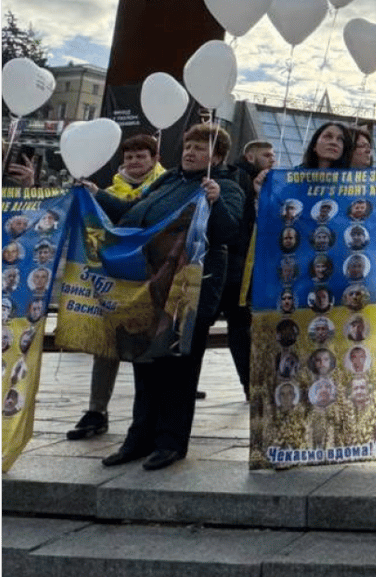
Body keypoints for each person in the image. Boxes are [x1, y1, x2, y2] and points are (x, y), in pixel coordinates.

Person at [93, 123, 245, 471]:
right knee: (145, 363)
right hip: (151, 286)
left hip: (191, 291)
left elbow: (227, 231)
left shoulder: (227, 187)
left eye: (200, 148)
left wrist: (216, 201)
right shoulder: (168, 181)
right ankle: (138, 438)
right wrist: (95, 195)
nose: (190, 152)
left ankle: (171, 442)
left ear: (217, 157)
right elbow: (132, 216)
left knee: (179, 368)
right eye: (188, 146)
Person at [65, 134, 170, 441]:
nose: (134, 162)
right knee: (106, 344)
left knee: (150, 349)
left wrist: (96, 195)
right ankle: (96, 411)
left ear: (154, 159)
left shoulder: (164, 187)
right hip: (115, 278)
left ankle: (149, 416)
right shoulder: (108, 191)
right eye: (129, 158)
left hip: (152, 277)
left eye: (141, 156)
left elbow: (132, 213)